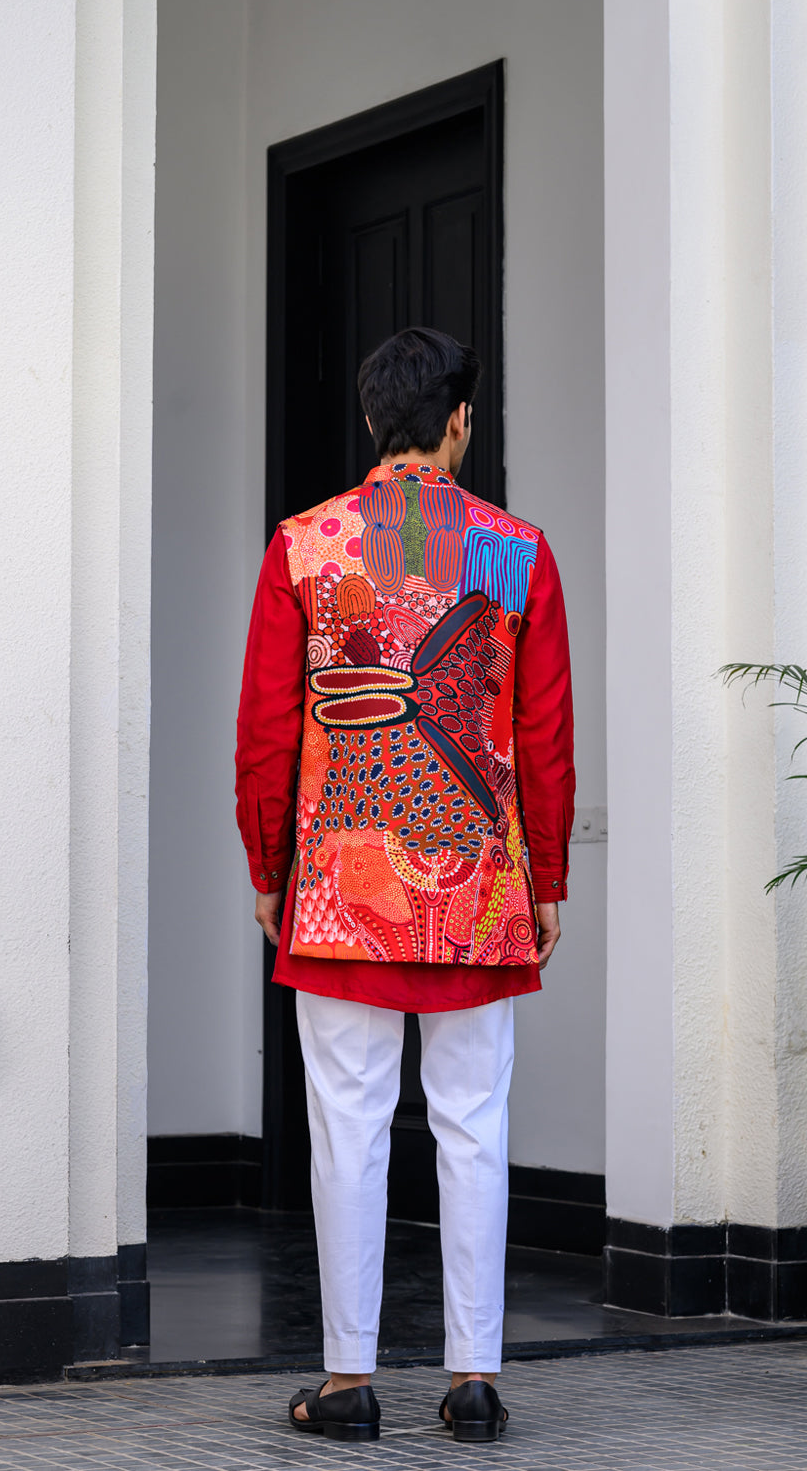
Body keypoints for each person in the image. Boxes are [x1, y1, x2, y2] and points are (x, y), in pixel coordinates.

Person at [235, 325, 575, 1443]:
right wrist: (548, 874)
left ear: (373, 421)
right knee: (474, 1125)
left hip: (343, 885)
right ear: (461, 422)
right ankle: (474, 1382)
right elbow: (543, 731)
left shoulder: (307, 546)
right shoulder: (511, 552)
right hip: (476, 886)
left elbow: (267, 730)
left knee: (350, 1128)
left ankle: (348, 1383)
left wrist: (269, 866)